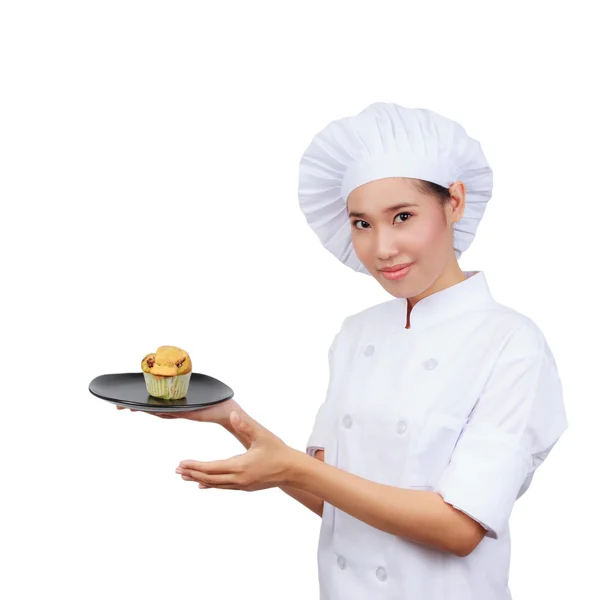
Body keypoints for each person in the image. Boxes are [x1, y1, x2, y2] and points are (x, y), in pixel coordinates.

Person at [118, 102, 568, 599]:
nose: (382, 248)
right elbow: (330, 498)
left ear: (454, 202)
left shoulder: (511, 344)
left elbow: (459, 529)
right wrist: (232, 418)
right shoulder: (357, 334)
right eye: (362, 224)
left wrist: (291, 466)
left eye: (402, 216)